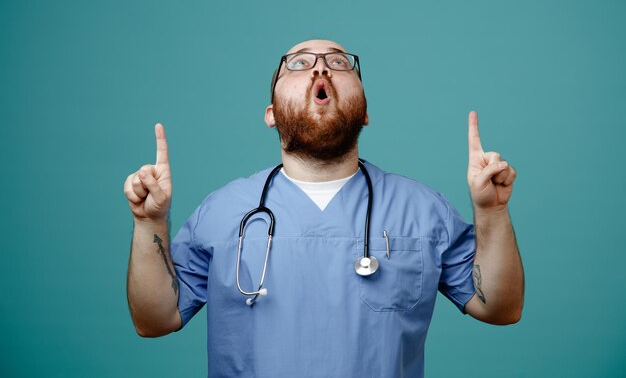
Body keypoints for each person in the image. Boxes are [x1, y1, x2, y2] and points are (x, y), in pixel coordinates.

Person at [124, 39, 524, 378]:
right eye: (298, 64)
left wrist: (491, 213)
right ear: (271, 114)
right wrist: (149, 221)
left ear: (365, 111)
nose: (321, 70)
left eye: (338, 62)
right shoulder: (223, 211)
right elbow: (155, 321)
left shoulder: (422, 209)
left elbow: (501, 309)